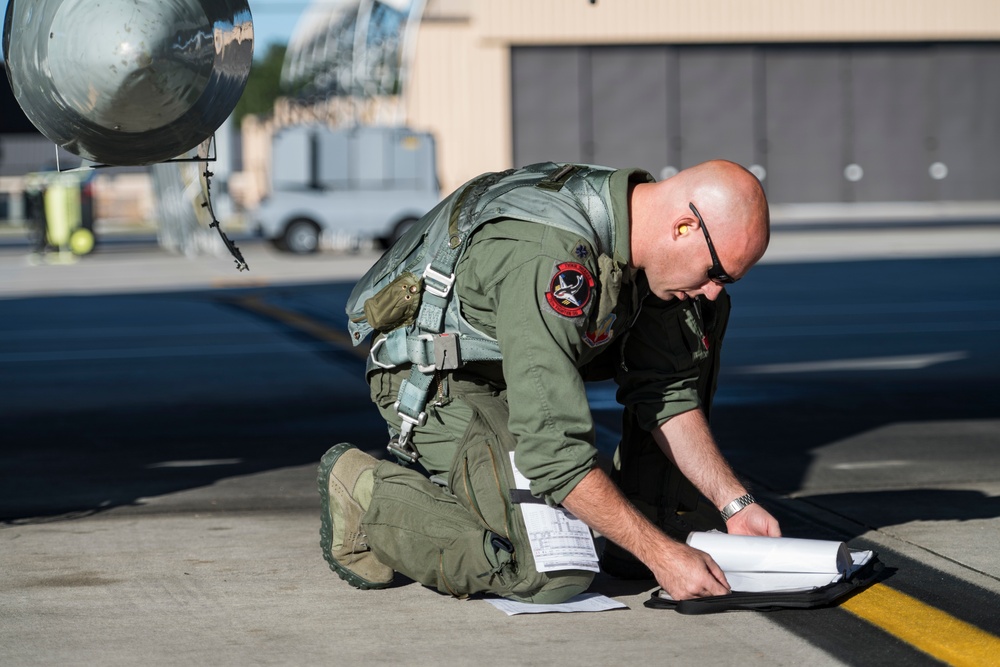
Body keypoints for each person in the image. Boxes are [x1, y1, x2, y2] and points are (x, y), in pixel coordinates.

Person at [318, 159, 781, 604]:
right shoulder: (551, 257)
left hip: (521, 372)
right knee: (551, 572)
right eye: (715, 272)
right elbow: (555, 453)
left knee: (702, 317)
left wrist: (734, 504)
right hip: (443, 380)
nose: (714, 288)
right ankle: (366, 491)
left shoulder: (646, 245)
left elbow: (667, 389)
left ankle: (655, 517)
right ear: (684, 226)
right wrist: (662, 557)